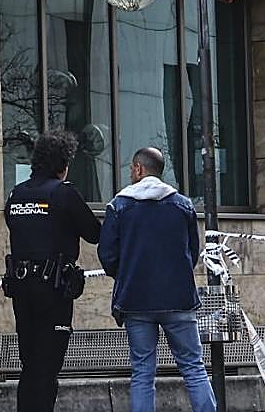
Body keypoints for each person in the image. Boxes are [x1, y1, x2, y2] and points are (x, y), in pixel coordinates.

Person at [98, 147, 215, 412]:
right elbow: (192, 252)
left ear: (138, 169)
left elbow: (107, 255)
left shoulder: (119, 206)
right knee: (194, 368)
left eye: (131, 168)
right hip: (179, 299)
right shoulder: (182, 205)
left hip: (135, 301)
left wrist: (128, 274)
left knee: (142, 372)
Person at [3, 131, 101, 412]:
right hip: (53, 289)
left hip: (22, 288)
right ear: (63, 164)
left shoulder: (17, 193)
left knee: (30, 363)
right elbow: (93, 233)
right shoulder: (63, 193)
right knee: (48, 365)